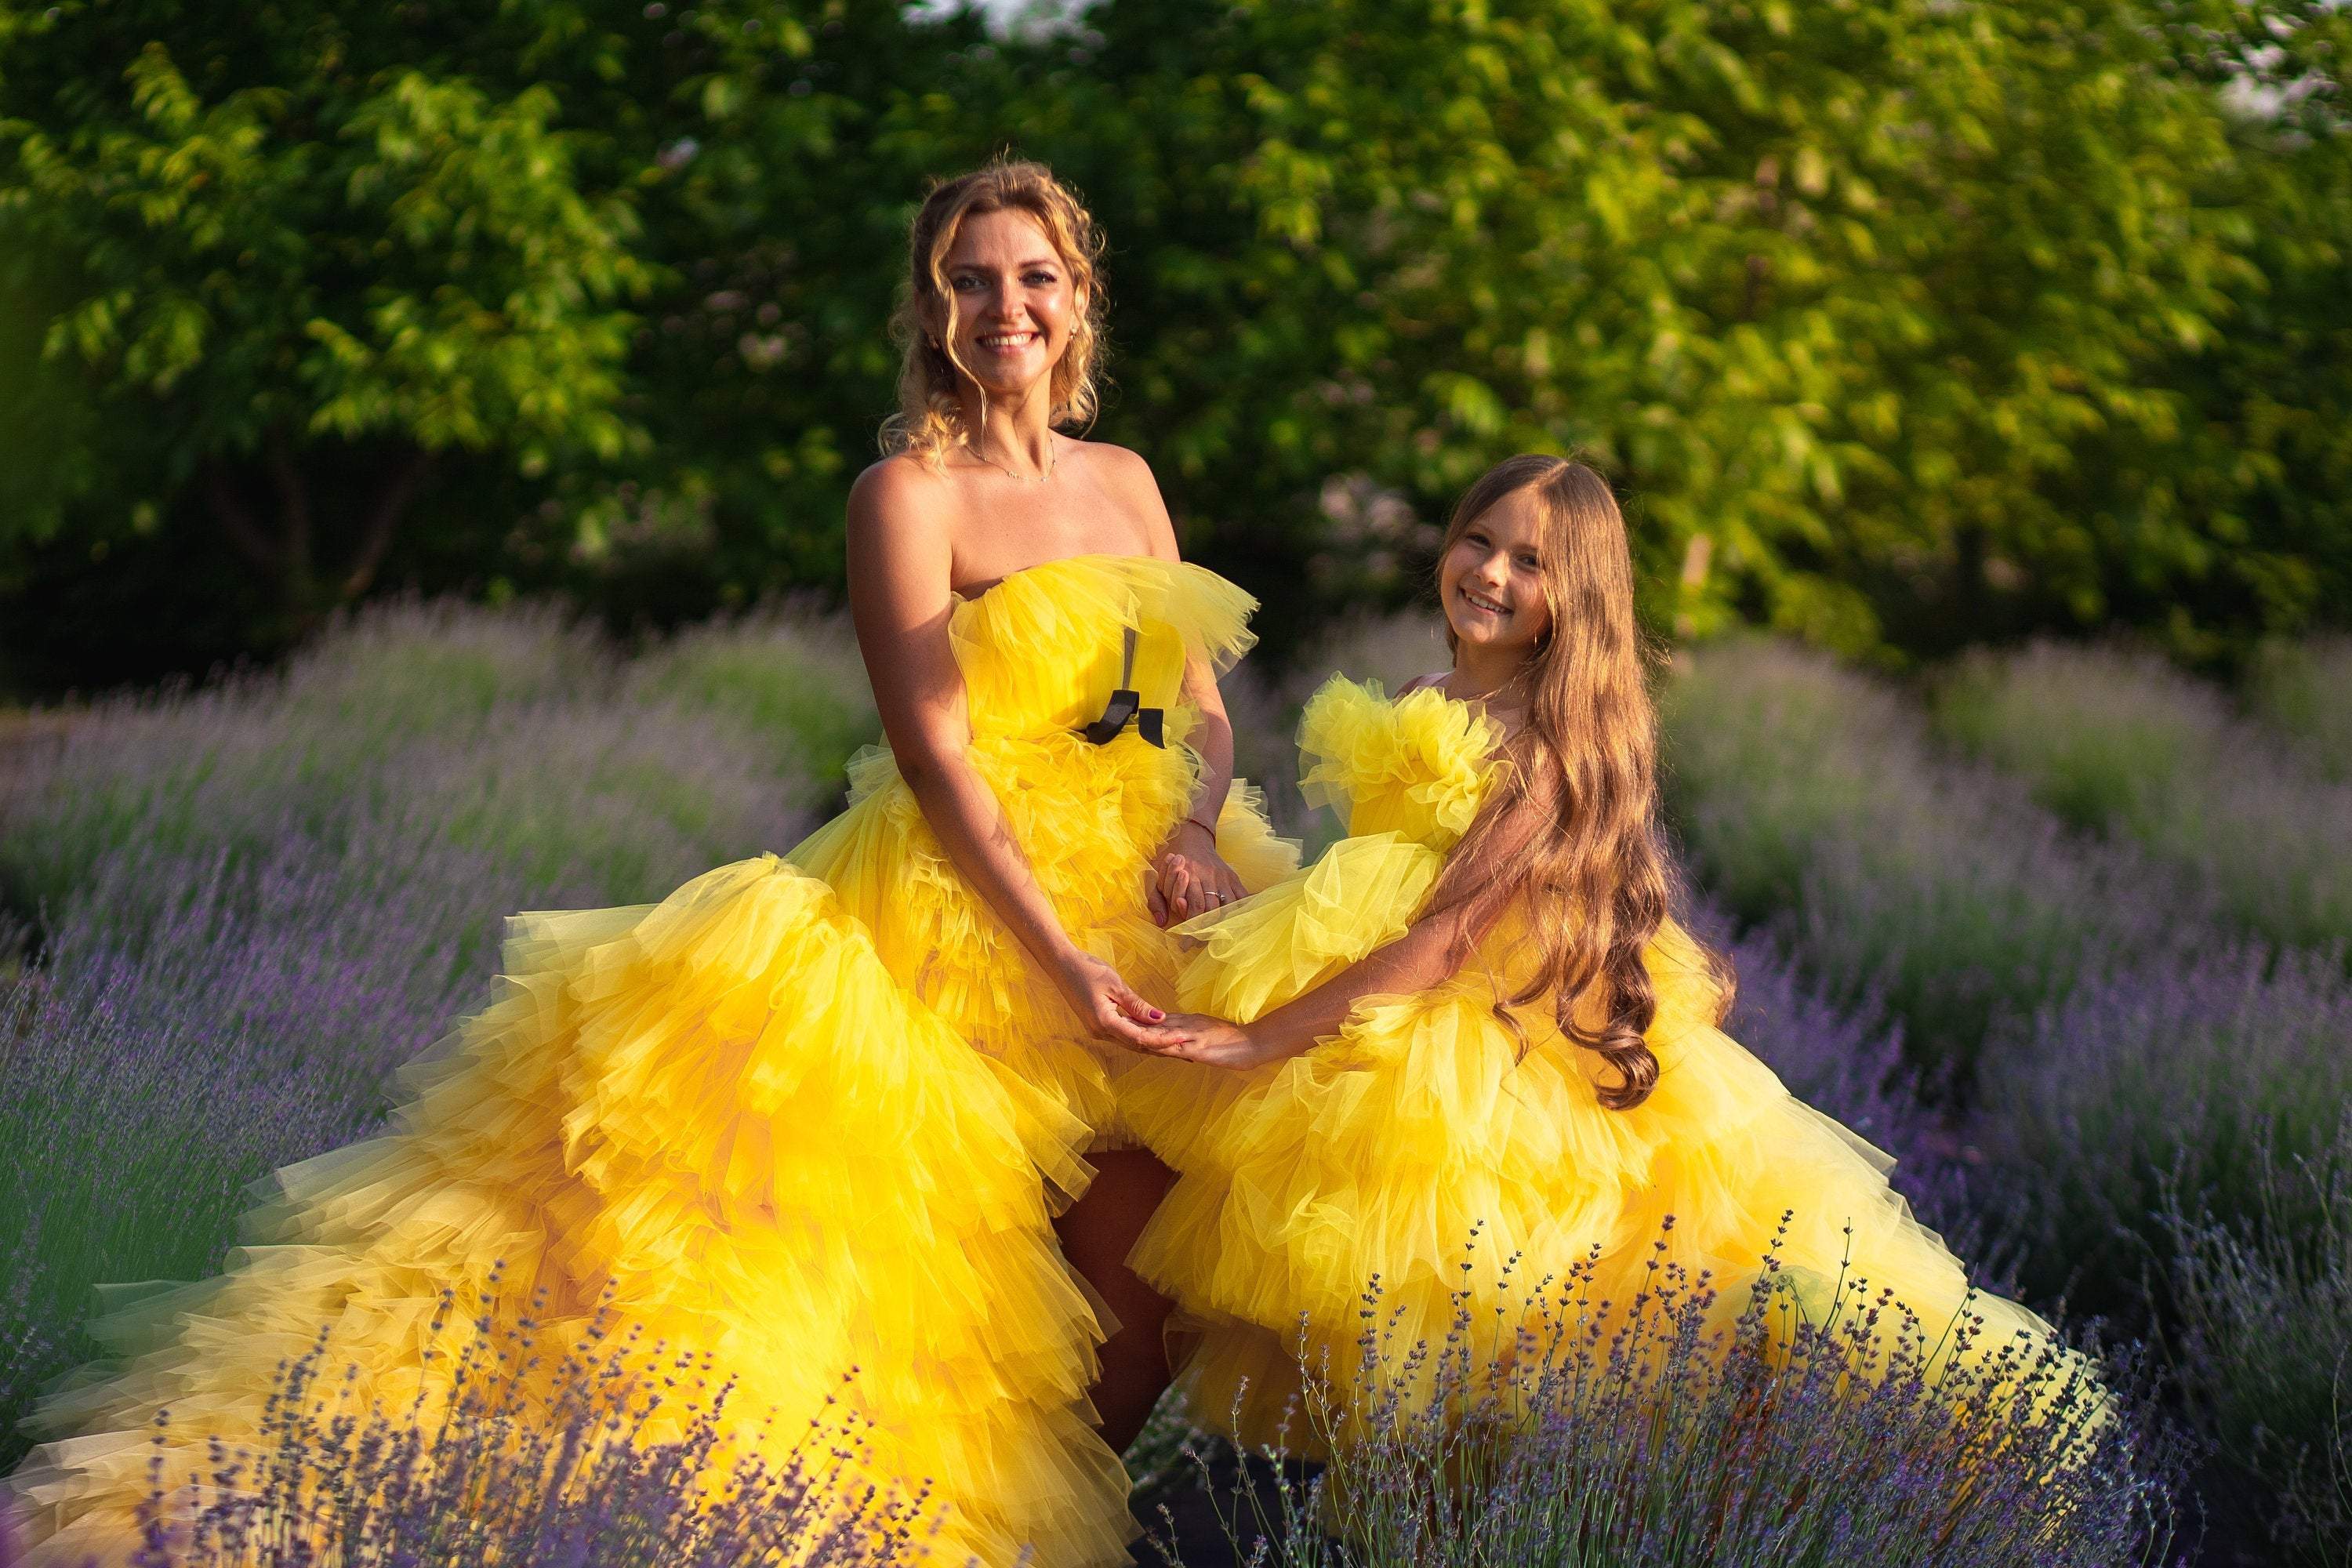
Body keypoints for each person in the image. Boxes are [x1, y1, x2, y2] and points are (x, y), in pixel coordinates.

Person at [3, 159, 1293, 1568]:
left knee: (1152, 1277)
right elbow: (936, 759)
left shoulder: (1126, 481)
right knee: (916, 1284)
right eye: (969, 281)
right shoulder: (907, 497)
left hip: (1165, 896)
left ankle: (1049, 1528)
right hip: (974, 920)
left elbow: (1205, 705)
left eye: (1033, 278)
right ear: (931, 314)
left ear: (1078, 298)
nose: (1005, 308)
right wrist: (1065, 963)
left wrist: (1188, 829)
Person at [1119, 455, 2090, 1450]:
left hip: (1486, 1046)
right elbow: (1368, 879)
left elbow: (1446, 936)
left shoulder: (1545, 745)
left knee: (1479, 1324)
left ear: (1573, 598)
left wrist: (1259, 1039)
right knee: (1377, 1338)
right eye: (1479, 540)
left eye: (1531, 561)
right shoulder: (1420, 692)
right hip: (1381, 1020)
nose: (1491, 573)